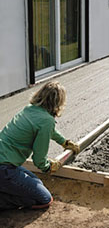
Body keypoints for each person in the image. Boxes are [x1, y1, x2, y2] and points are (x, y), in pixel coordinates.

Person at [0, 81, 80, 210]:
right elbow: (39, 160)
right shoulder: (46, 120)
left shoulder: (30, 109)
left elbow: (48, 130)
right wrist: (48, 167)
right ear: (58, 102)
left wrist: (64, 142)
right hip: (4, 169)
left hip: (5, 164)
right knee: (44, 198)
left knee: (37, 182)